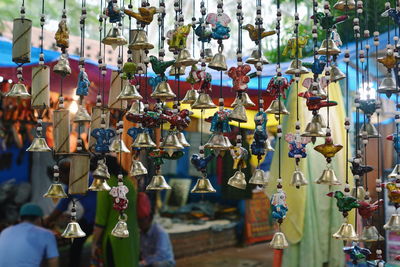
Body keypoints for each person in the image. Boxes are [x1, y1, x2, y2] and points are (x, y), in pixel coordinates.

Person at [44, 159, 97, 267]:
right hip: (89, 218)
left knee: (82, 242)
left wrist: (48, 220)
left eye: (61, 177)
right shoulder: (72, 184)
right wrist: (48, 220)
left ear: (68, 173)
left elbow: (94, 206)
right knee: (76, 242)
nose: (61, 181)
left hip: (98, 218)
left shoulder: (88, 179)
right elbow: (62, 205)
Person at [91, 156, 139, 267]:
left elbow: (101, 220)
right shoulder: (129, 183)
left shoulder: (105, 186)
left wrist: (94, 243)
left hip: (114, 240)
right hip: (131, 238)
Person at [0, 202, 59, 267]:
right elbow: (53, 261)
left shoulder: (5, 232)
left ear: (20, 219)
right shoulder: (47, 234)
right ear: (39, 219)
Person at [138, 192, 175, 267]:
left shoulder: (160, 232)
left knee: (156, 265)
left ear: (149, 219)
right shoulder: (141, 232)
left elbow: (161, 255)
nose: (139, 223)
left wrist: (143, 263)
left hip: (164, 262)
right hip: (149, 262)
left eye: (142, 220)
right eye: (138, 220)